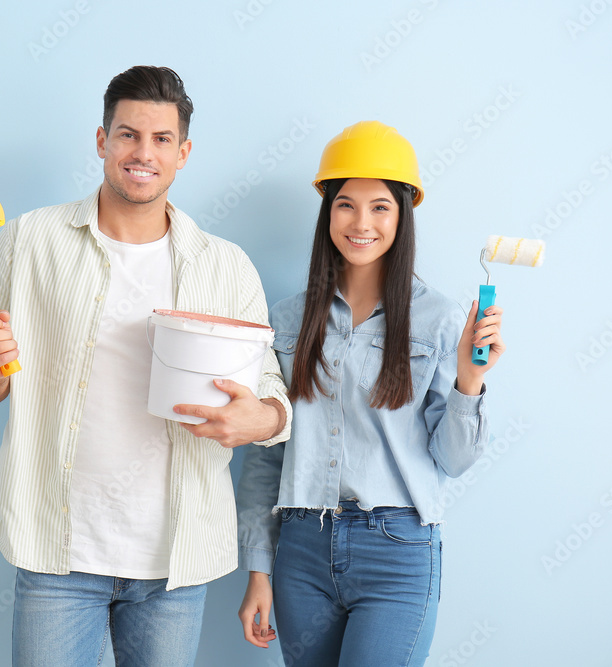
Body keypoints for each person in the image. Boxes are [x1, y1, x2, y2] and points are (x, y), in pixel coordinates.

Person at [0, 65, 291, 666]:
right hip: (58, 551)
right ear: (102, 140)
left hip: (174, 562)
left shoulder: (226, 266)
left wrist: (258, 421)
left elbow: (271, 396)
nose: (143, 153)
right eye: (128, 134)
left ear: (183, 152)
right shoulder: (30, 241)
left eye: (161, 139)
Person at [235, 121, 504, 666]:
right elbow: (267, 458)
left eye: (380, 206)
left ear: (403, 215)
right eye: (346, 205)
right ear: (327, 212)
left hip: (398, 552)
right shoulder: (286, 321)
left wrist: (468, 382)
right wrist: (258, 571)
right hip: (302, 551)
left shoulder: (439, 318)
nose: (362, 223)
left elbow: (452, 461)